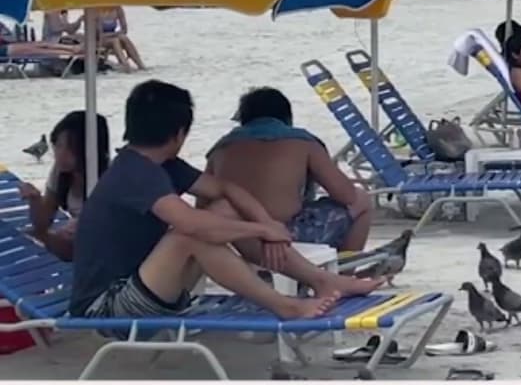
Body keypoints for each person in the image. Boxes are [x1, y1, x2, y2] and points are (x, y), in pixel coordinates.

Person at [70, 80, 384, 322]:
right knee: (188, 236)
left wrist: (266, 224)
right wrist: (258, 231)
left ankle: (323, 281)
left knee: (218, 209)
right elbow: (190, 223)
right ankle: (286, 305)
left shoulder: (159, 164)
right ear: (180, 133)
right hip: (106, 308)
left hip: (141, 287)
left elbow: (227, 190)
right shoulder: (135, 172)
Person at [204, 87, 372, 253]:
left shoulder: (220, 149)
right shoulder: (303, 141)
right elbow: (347, 195)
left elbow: (202, 207)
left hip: (238, 238)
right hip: (287, 234)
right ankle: (344, 274)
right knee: (362, 199)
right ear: (287, 116)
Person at [18, 110, 111, 261]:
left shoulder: (109, 178)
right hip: (80, 248)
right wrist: (35, 200)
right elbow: (42, 224)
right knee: (31, 236)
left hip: (106, 251)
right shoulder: (61, 172)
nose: (60, 154)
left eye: (70, 148)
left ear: (90, 148)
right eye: (58, 145)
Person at [97, 6, 144, 72]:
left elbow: (124, 30)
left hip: (111, 36)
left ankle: (140, 65)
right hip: (98, 40)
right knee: (115, 40)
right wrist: (116, 34)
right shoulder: (97, 11)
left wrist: (116, 34)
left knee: (123, 37)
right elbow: (100, 35)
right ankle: (125, 64)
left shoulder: (118, 9)